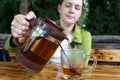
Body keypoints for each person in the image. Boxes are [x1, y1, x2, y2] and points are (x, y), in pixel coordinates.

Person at [5, 0, 91, 67]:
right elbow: (9, 48)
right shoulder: (46, 28)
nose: (72, 10)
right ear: (59, 8)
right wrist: (18, 38)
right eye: (68, 5)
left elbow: (82, 66)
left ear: (80, 13)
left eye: (77, 8)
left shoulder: (85, 36)